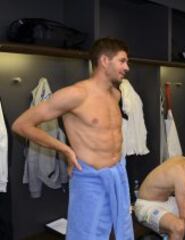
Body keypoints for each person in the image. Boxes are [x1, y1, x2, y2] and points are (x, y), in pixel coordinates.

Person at [12, 37, 133, 240]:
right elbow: (21, 125)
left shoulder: (115, 94)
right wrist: (65, 149)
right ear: (105, 60)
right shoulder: (75, 94)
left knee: (120, 229)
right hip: (90, 178)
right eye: (122, 61)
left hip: (117, 173)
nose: (127, 67)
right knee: (85, 235)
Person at [134, 141, 185, 240]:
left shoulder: (181, 161)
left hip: (166, 201)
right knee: (178, 227)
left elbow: (174, 189)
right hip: (146, 205)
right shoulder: (182, 175)